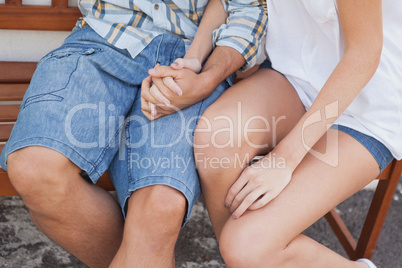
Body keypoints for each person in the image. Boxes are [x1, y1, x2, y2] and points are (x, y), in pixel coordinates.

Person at [0, 1, 267, 267]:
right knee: (35, 168)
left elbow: (248, 9)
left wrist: (205, 79)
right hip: (102, 37)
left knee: (160, 206)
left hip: (192, 60)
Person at [190, 0, 402, 267]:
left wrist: (283, 160)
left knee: (246, 247)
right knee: (216, 138)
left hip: (364, 108)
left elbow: (363, 56)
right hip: (295, 76)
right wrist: (196, 62)